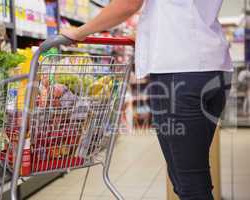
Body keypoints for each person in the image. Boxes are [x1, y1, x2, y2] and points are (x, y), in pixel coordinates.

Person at [61, 0, 233, 199]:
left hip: (178, 72)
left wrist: (79, 32)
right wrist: (146, 35)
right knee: (193, 174)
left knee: (188, 183)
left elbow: (128, 4)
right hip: (215, 69)